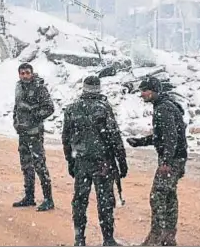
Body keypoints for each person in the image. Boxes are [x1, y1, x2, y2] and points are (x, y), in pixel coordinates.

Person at [62, 76, 128, 246]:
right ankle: (108, 239)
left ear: (84, 88)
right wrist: (122, 160)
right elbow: (114, 136)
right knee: (105, 200)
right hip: (102, 163)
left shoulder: (72, 109)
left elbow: (66, 139)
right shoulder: (103, 108)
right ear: (98, 89)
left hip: (81, 162)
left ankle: (79, 239)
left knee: (80, 201)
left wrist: (70, 161)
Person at [126, 76, 187, 246]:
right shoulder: (165, 106)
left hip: (172, 159)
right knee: (169, 196)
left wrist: (166, 162)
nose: (142, 94)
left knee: (158, 196)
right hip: (178, 157)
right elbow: (162, 136)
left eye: (144, 90)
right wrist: (141, 142)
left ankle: (156, 238)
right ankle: (168, 238)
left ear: (154, 90)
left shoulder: (164, 109)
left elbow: (170, 137)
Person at [12, 62, 55, 212]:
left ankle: (48, 199)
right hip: (23, 133)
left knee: (39, 165)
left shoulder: (39, 88)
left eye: (27, 73)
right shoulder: (19, 87)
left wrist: (34, 117)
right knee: (26, 165)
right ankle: (29, 197)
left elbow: (49, 108)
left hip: (35, 133)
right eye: (22, 73)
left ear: (32, 73)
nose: (25, 75)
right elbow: (17, 107)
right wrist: (15, 122)